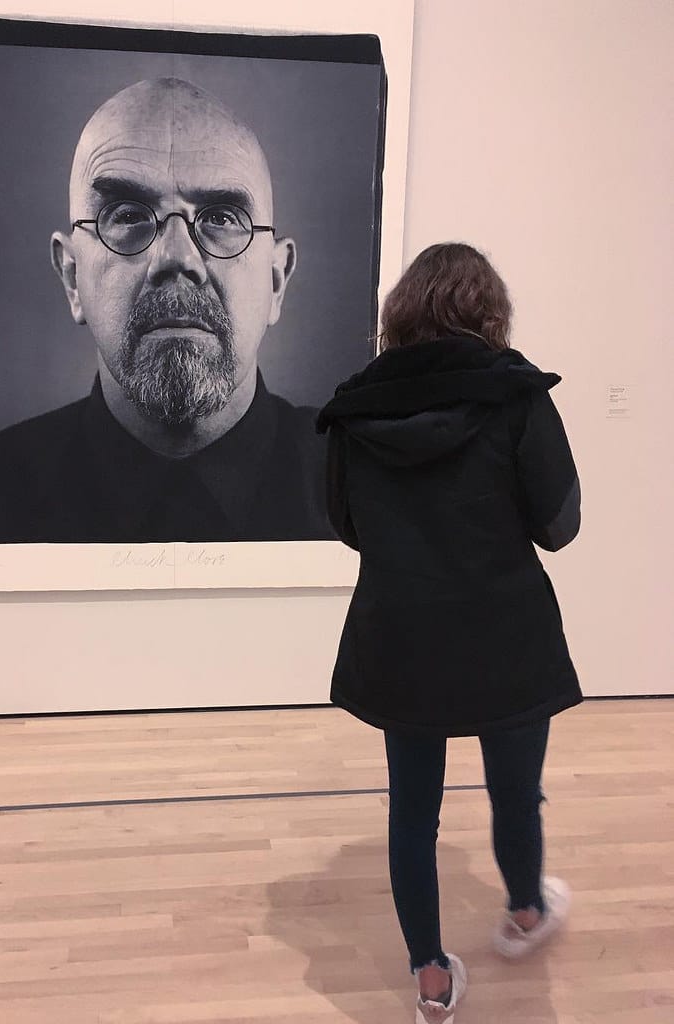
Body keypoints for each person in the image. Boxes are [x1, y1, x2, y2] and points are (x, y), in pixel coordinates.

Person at [316, 243, 582, 1024]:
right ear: (487, 310)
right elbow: (559, 525)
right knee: (515, 791)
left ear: (403, 311)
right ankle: (525, 914)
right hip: (506, 628)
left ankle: (431, 984)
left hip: (402, 629)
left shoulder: (354, 408)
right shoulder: (517, 396)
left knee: (412, 811)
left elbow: (346, 524)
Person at [0, 77, 333, 545]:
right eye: (127, 215)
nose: (177, 258)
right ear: (72, 277)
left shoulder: (362, 489)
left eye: (221, 218)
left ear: (276, 279)